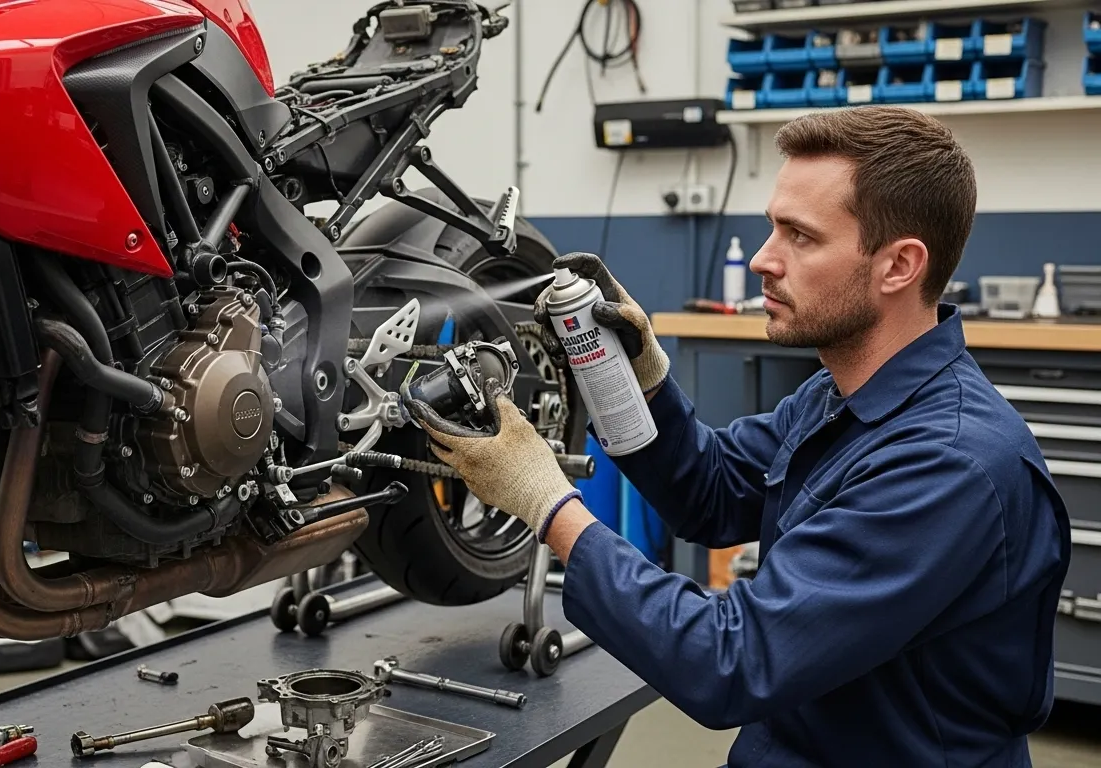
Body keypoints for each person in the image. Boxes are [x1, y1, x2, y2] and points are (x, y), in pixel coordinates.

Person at [406, 106, 1071, 766]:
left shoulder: (949, 465)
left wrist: (548, 505)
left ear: (898, 265)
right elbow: (712, 492)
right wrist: (635, 380)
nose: (761, 260)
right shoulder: (841, 394)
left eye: (800, 236)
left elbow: (734, 660)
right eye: (771, 227)